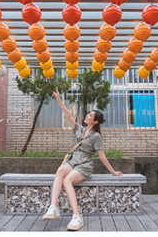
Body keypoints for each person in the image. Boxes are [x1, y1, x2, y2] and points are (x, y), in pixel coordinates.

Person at [43, 88, 123, 231]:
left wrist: (113, 172)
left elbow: (101, 156)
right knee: (60, 170)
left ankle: (77, 216)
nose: (87, 116)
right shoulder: (79, 129)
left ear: (95, 120)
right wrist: (59, 100)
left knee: (67, 181)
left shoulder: (96, 136)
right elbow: (68, 116)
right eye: (88, 114)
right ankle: (53, 207)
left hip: (84, 164)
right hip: (73, 160)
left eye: (90, 115)